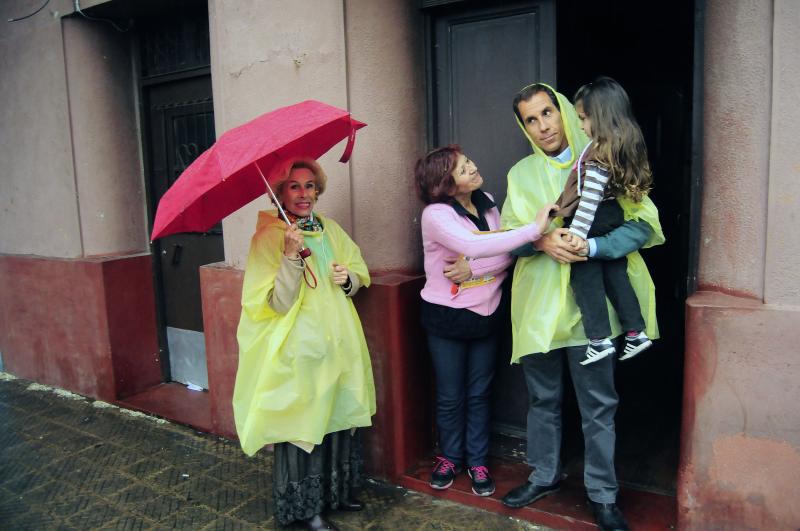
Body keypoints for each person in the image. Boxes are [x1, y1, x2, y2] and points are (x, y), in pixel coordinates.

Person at [499, 83, 663, 531]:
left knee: (598, 403)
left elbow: (642, 226)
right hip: (538, 309)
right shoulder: (521, 174)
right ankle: (544, 474)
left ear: (565, 112)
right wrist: (542, 240)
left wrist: (592, 246)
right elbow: (510, 241)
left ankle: (603, 494)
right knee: (542, 398)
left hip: (593, 313)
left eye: (547, 113)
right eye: (531, 119)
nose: (542, 126)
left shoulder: (603, 158)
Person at [233, 158, 375, 531]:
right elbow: (274, 303)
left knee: (338, 417)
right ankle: (306, 509)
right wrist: (290, 256)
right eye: (294, 186)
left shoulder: (330, 230)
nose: (304, 194)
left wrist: (350, 279)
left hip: (338, 344)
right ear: (279, 193)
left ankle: (337, 494)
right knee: (303, 426)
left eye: (310, 186)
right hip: (298, 350)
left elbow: (359, 270)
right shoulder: (269, 238)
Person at [415, 145, 556, 497]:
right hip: (446, 318)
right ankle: (450, 457)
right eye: (463, 169)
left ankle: (477, 461)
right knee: (450, 396)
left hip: (487, 313)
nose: (473, 167)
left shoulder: (488, 202)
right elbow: (475, 245)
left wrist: (474, 268)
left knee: (479, 394)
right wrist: (534, 231)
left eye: (468, 162)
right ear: (445, 185)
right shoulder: (436, 214)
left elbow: (504, 256)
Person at [554, 77, 655, 365]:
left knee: (586, 282)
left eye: (584, 119)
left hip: (593, 219)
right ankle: (635, 333)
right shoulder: (613, 147)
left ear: (600, 116)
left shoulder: (598, 152)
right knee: (616, 278)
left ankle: (598, 340)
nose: (582, 126)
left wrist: (577, 234)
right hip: (611, 216)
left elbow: (589, 198)